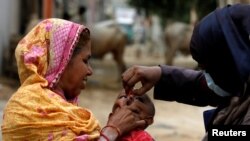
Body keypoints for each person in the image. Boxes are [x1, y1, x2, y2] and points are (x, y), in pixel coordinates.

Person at [1, 18, 145, 141]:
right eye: (85, 61)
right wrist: (112, 130)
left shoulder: (66, 111)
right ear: (61, 61)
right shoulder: (25, 109)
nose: (90, 71)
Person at [122, 3, 250, 141]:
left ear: (233, 59)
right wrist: (161, 74)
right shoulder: (241, 82)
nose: (207, 77)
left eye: (210, 69)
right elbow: (209, 86)